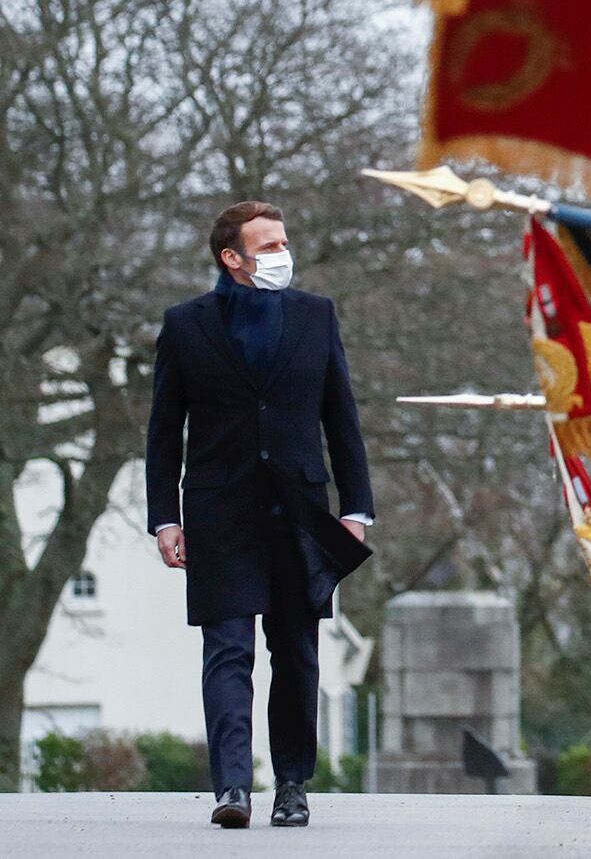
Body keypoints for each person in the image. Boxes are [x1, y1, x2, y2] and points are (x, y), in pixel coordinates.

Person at [145, 201, 374, 829]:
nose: (281, 253)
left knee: (296, 652)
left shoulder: (315, 317)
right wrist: (164, 519)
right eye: (267, 245)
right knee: (227, 650)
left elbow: (342, 421)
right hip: (219, 510)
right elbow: (164, 432)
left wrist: (356, 509)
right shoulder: (186, 326)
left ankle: (293, 784)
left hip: (300, 511)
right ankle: (233, 788)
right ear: (232, 257)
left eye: (282, 241)